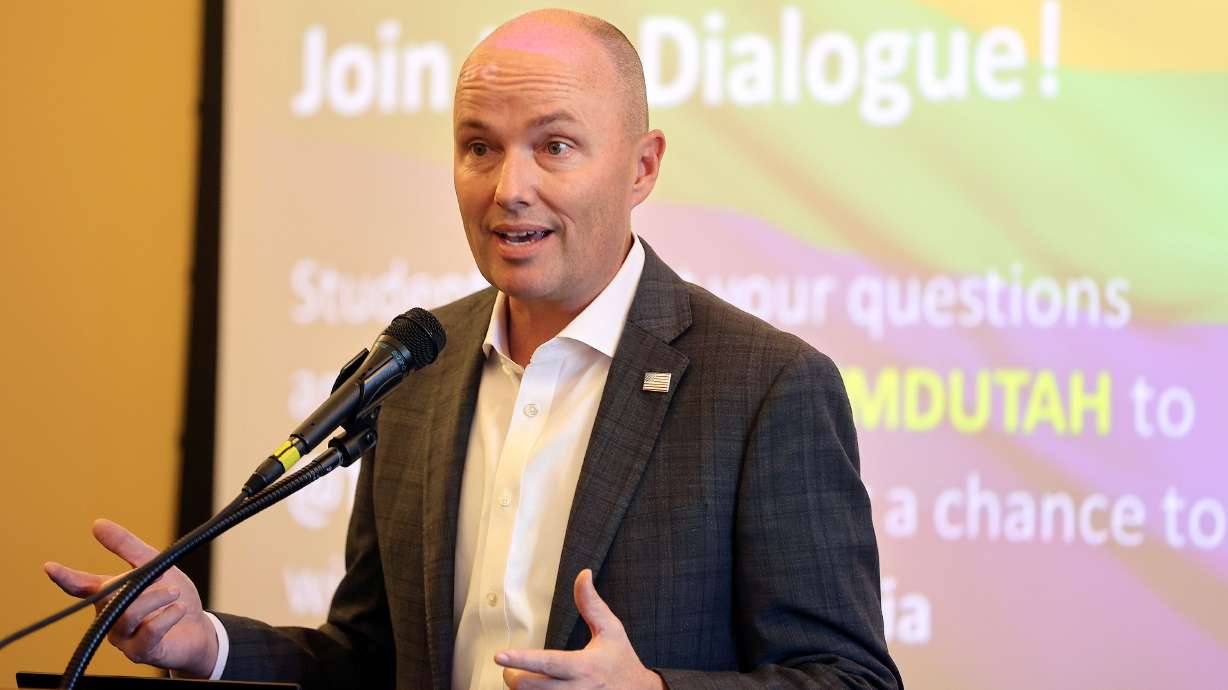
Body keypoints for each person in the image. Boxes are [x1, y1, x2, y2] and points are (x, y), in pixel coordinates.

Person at [46, 9, 903, 690]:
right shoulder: (413, 370)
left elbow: (851, 678)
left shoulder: (766, 388)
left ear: (642, 168)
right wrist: (209, 645)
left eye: (554, 146)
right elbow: (370, 660)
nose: (508, 188)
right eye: (479, 147)